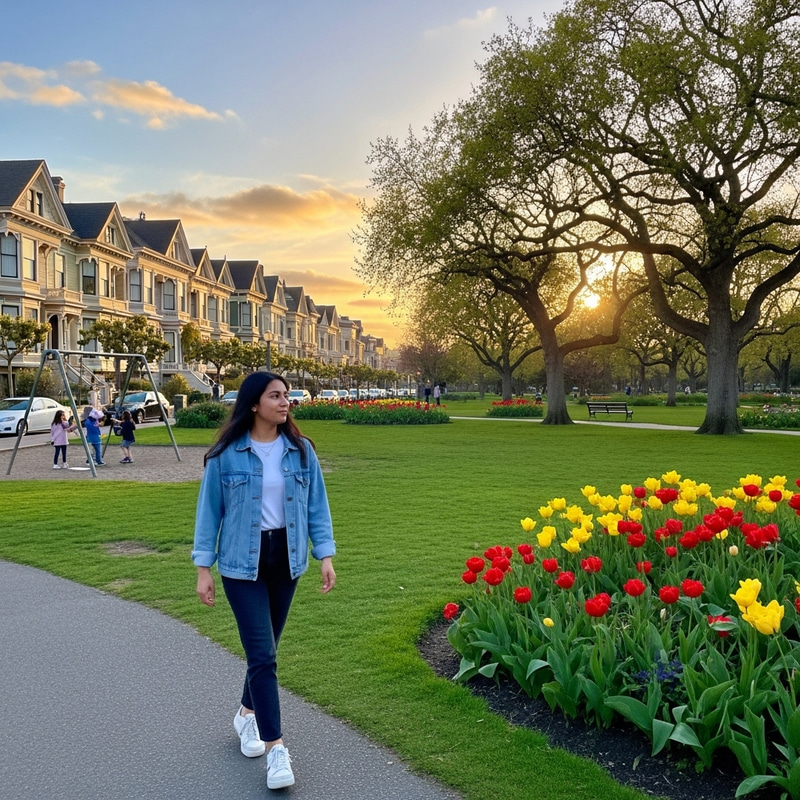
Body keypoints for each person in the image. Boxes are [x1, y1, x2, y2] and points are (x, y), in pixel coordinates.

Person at [192, 371, 336, 791]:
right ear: (254, 403)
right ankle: (276, 751)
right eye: (276, 396)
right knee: (263, 655)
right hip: (241, 564)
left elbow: (317, 508)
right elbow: (209, 514)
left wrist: (324, 554)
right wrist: (204, 568)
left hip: (285, 560)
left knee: (264, 652)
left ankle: (244, 716)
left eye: (287, 395)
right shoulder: (226, 455)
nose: (285, 401)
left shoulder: (301, 451)